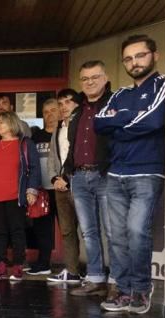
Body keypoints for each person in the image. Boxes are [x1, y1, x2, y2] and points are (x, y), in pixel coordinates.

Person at [95, 35, 165, 314]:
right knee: (116, 235)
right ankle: (123, 292)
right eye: (128, 58)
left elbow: (155, 119)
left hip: (147, 172)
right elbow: (100, 123)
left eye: (140, 56)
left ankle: (141, 289)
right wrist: (128, 118)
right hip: (116, 173)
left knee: (137, 232)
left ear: (154, 56)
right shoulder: (120, 94)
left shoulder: (163, 84)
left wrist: (119, 122)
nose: (134, 62)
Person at [63, 60, 115, 298]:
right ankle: (95, 278)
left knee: (113, 230)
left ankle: (117, 281)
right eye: (85, 79)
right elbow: (72, 145)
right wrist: (68, 171)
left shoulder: (115, 103)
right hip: (80, 177)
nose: (90, 82)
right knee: (89, 232)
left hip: (105, 175)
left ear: (105, 78)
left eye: (95, 77)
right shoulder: (77, 111)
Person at [0, 111, 41, 281]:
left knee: (17, 230)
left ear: (11, 124)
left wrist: (31, 190)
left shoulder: (25, 144)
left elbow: (34, 168)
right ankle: (1, 265)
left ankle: (18, 265)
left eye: (1, 123)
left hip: (16, 195)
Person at [46, 89, 84, 284]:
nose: (63, 107)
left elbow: (82, 154)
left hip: (80, 182)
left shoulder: (83, 125)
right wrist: (54, 179)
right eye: (60, 104)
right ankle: (72, 271)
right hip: (60, 186)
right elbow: (53, 156)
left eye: (68, 102)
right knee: (67, 230)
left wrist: (68, 179)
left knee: (89, 230)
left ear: (77, 104)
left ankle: (97, 273)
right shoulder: (58, 128)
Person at [27, 99, 59, 275]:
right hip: (41, 190)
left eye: (53, 110)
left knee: (68, 229)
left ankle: (73, 267)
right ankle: (43, 264)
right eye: (46, 112)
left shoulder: (65, 133)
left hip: (62, 189)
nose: (50, 115)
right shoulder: (36, 137)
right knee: (42, 229)